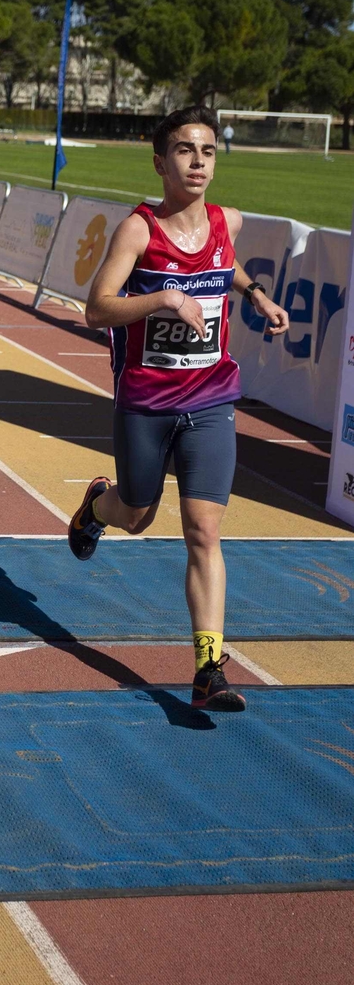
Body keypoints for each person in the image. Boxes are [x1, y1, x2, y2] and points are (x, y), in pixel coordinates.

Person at [67, 105, 289, 712]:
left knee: (203, 530)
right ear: (161, 161)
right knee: (136, 514)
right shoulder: (139, 231)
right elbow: (97, 308)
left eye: (208, 151)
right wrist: (163, 297)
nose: (198, 162)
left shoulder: (228, 221)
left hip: (212, 397)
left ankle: (208, 670)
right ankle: (95, 507)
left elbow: (225, 266)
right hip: (146, 400)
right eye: (186, 151)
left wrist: (256, 295)